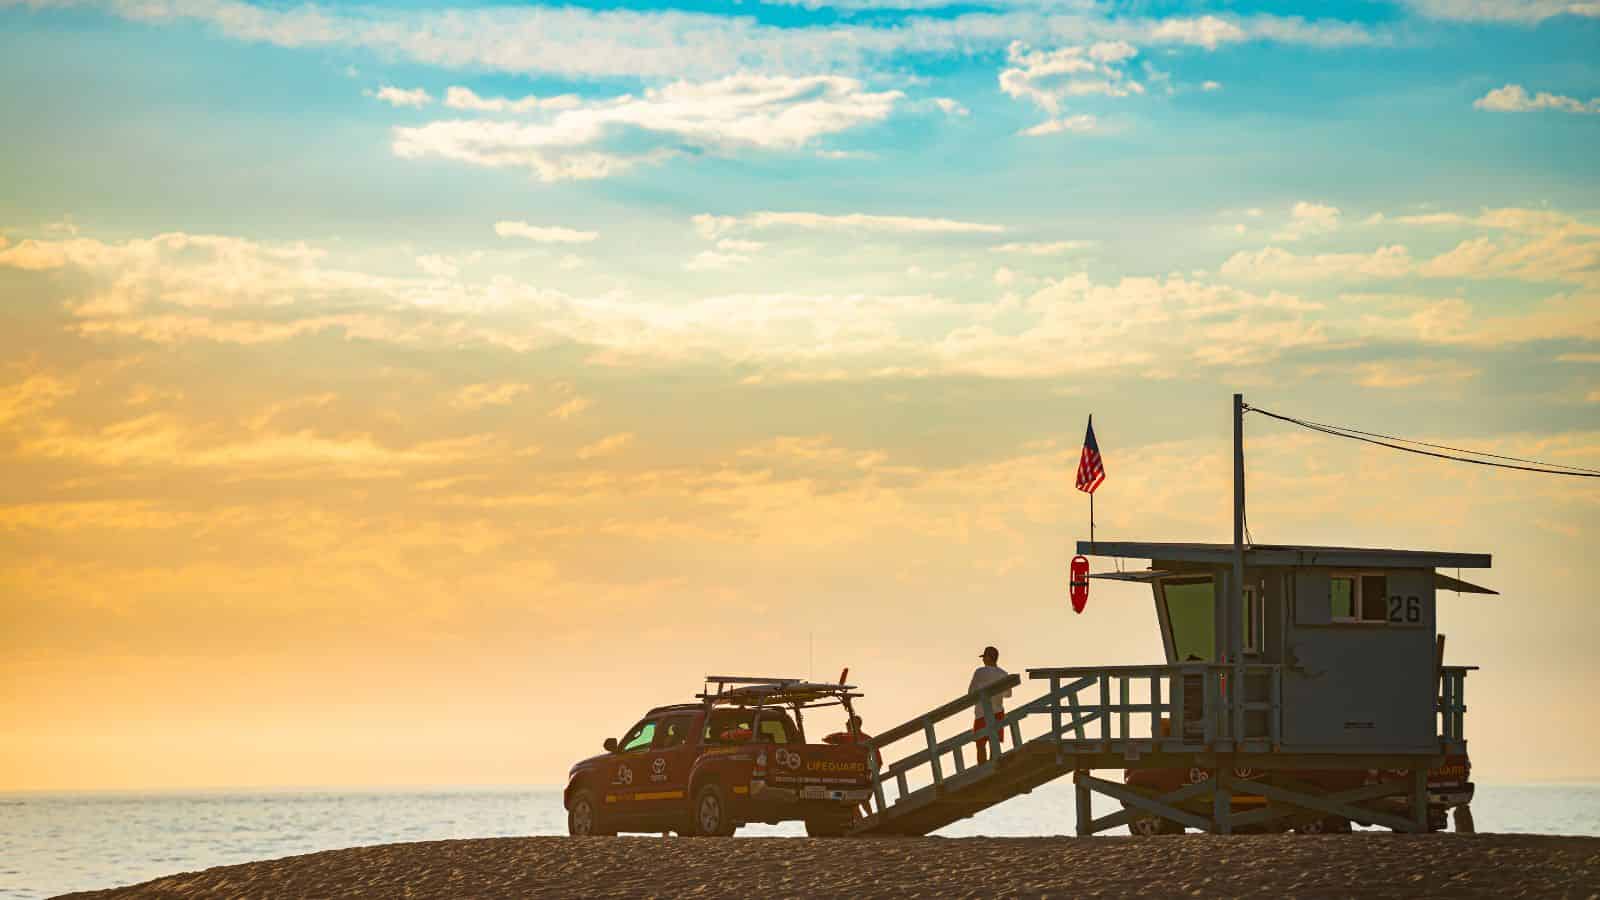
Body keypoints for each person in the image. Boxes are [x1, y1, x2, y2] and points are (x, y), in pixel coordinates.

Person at [970, 646, 1012, 764]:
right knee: (994, 742)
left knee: (980, 744)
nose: (983, 660)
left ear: (989, 658)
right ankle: (994, 764)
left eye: (984, 657)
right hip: (997, 711)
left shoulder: (980, 672)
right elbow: (1008, 694)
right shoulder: (1003, 674)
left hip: (981, 713)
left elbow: (971, 692)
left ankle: (982, 767)